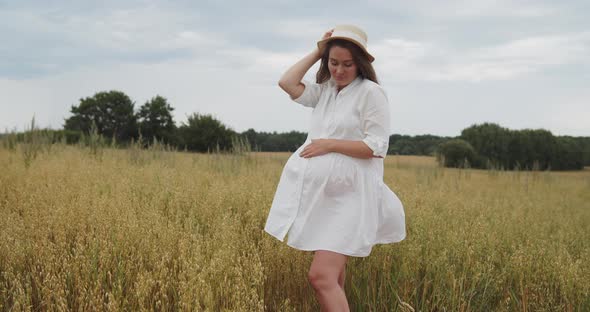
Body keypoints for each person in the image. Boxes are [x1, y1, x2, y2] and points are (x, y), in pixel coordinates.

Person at [264, 24, 406, 310]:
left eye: (347, 64)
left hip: (352, 198)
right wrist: (318, 50)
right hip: (324, 199)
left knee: (321, 277)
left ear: (361, 64)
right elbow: (287, 83)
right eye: (334, 62)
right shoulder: (326, 91)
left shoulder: (371, 93)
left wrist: (330, 144)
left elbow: (377, 147)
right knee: (334, 279)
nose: (339, 70)